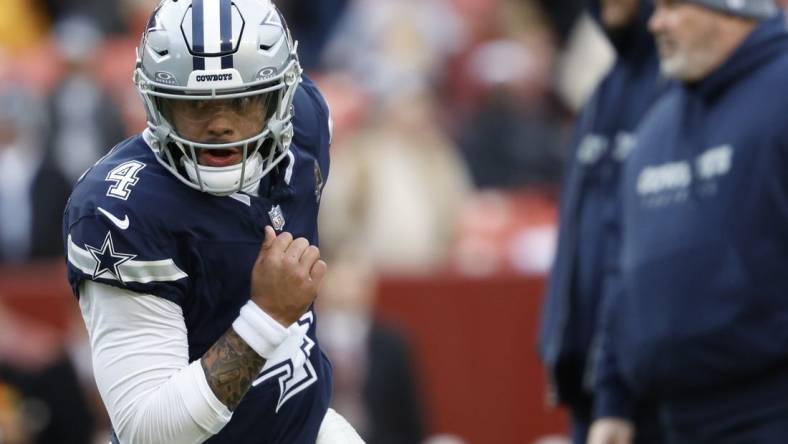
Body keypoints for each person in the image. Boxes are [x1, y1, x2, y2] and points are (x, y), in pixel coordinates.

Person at [62, 1, 364, 443]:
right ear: (156, 101)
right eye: (197, 105)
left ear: (279, 96)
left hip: (305, 426)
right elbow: (149, 431)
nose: (220, 125)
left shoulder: (304, 125)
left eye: (241, 102)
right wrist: (266, 317)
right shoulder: (121, 212)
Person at [589, 0, 788, 443]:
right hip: (674, 420)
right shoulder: (655, 124)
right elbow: (621, 272)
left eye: (673, 6)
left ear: (733, 9)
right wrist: (613, 402)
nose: (655, 22)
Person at [537, 0, 664, 442]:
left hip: (648, 389)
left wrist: (619, 392)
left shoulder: (676, 91)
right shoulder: (604, 90)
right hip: (591, 384)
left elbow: (642, 252)